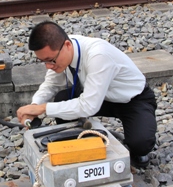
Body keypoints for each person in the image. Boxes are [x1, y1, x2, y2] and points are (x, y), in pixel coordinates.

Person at [17, 21, 158, 169]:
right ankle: (77, 143)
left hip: (132, 100)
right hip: (99, 96)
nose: (48, 66)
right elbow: (51, 85)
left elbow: (89, 105)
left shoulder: (98, 55)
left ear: (67, 46)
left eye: (51, 60)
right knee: (62, 99)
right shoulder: (61, 49)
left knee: (140, 143)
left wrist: (43, 108)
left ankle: (138, 148)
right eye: (43, 61)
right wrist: (34, 106)